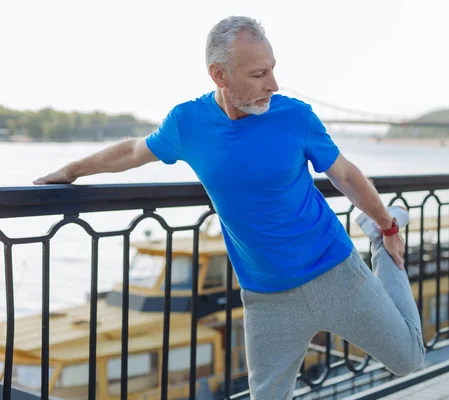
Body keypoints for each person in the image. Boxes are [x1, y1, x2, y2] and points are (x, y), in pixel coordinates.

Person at [34, 15, 425, 399]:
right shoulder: (188, 122)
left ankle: (375, 239)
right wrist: (73, 169)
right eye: (258, 75)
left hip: (336, 274)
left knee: (408, 360)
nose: (272, 84)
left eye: (272, 70)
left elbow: (346, 176)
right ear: (219, 75)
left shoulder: (295, 116)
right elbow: (133, 151)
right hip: (267, 298)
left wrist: (387, 227)